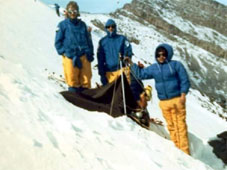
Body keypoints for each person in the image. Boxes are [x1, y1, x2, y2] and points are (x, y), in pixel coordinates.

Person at [128, 43, 191, 155]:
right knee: (171, 126)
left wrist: (183, 95)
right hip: (164, 102)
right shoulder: (154, 68)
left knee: (180, 126)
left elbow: (184, 80)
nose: (161, 57)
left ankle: (185, 152)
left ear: (168, 54)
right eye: (158, 55)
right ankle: (178, 151)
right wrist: (132, 64)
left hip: (176, 100)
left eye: (163, 54)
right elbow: (141, 74)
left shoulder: (176, 65)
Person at [55, 1, 94, 92]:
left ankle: (86, 97)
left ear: (78, 12)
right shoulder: (62, 25)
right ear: (67, 12)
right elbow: (58, 42)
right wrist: (65, 52)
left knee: (86, 79)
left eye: (75, 11)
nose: (73, 13)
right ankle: (74, 95)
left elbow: (89, 40)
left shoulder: (83, 25)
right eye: (71, 11)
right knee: (72, 78)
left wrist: (90, 53)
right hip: (71, 56)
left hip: (84, 55)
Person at [97, 19, 133, 86]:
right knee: (111, 94)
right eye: (108, 27)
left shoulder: (122, 39)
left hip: (121, 69)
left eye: (112, 26)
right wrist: (102, 73)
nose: (111, 28)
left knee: (125, 91)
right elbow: (100, 59)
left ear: (115, 27)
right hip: (109, 72)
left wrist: (126, 56)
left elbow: (128, 49)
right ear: (106, 28)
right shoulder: (102, 42)